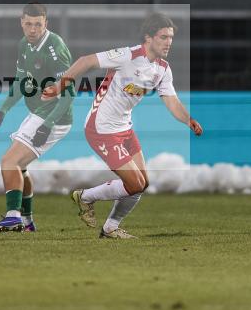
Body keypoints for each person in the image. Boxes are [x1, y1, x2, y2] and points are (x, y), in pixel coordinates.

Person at [41, 13, 203, 239]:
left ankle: (110, 228)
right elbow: (86, 61)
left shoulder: (163, 69)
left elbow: (172, 101)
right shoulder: (127, 55)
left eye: (171, 38)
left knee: (142, 183)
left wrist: (188, 119)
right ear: (148, 38)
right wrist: (59, 86)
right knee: (134, 183)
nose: (169, 42)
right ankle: (85, 197)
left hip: (124, 129)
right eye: (163, 37)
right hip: (101, 128)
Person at [0, 3, 74, 233]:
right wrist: (2, 110)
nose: (33, 29)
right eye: (28, 24)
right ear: (21, 22)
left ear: (46, 23)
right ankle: (27, 223)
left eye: (38, 24)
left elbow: (69, 92)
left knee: (9, 162)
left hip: (54, 116)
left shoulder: (55, 47)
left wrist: (48, 125)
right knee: (20, 167)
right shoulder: (24, 45)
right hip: (38, 113)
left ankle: (12, 217)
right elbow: (20, 81)